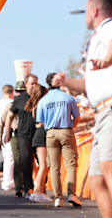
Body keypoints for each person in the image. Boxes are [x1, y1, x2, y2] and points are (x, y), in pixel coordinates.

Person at [52, 0, 112, 218]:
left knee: (109, 167)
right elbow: (88, 86)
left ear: (94, 10)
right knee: (96, 178)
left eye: (86, 10)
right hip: (104, 111)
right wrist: (65, 82)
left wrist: (107, 60)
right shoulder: (96, 39)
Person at [35, 72, 81, 207]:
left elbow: (40, 122)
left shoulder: (43, 100)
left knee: (54, 167)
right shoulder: (68, 98)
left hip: (50, 133)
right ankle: (72, 194)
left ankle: (58, 198)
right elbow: (77, 117)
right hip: (66, 130)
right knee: (71, 164)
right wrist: (71, 127)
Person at [2, 77, 37, 199]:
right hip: (17, 135)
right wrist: (6, 133)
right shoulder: (14, 103)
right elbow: (6, 118)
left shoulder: (37, 99)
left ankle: (34, 186)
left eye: (21, 91)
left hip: (36, 134)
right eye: (17, 91)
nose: (19, 93)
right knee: (19, 161)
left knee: (36, 162)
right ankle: (21, 188)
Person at [24, 74, 51, 203]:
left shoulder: (35, 105)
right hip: (42, 135)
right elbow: (42, 122)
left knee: (43, 165)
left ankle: (40, 190)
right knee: (43, 166)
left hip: (38, 135)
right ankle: (37, 191)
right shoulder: (41, 105)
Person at [0, 84, 15, 191]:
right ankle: (8, 181)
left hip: (2, 129)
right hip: (9, 129)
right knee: (10, 158)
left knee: (7, 156)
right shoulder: (9, 103)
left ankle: (7, 180)